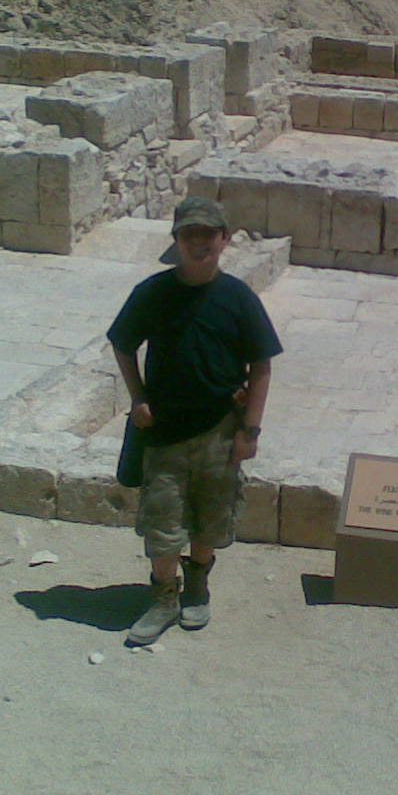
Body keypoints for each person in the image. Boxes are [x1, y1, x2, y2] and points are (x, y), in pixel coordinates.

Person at [107, 196, 282, 645]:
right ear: (176, 241)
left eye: (208, 234)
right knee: (163, 523)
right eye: (190, 234)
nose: (199, 242)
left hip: (220, 433)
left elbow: (261, 366)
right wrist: (138, 397)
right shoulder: (153, 293)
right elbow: (123, 343)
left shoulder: (237, 298)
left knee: (210, 518)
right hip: (164, 433)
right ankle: (164, 596)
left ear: (224, 240)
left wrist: (251, 430)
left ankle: (198, 583)